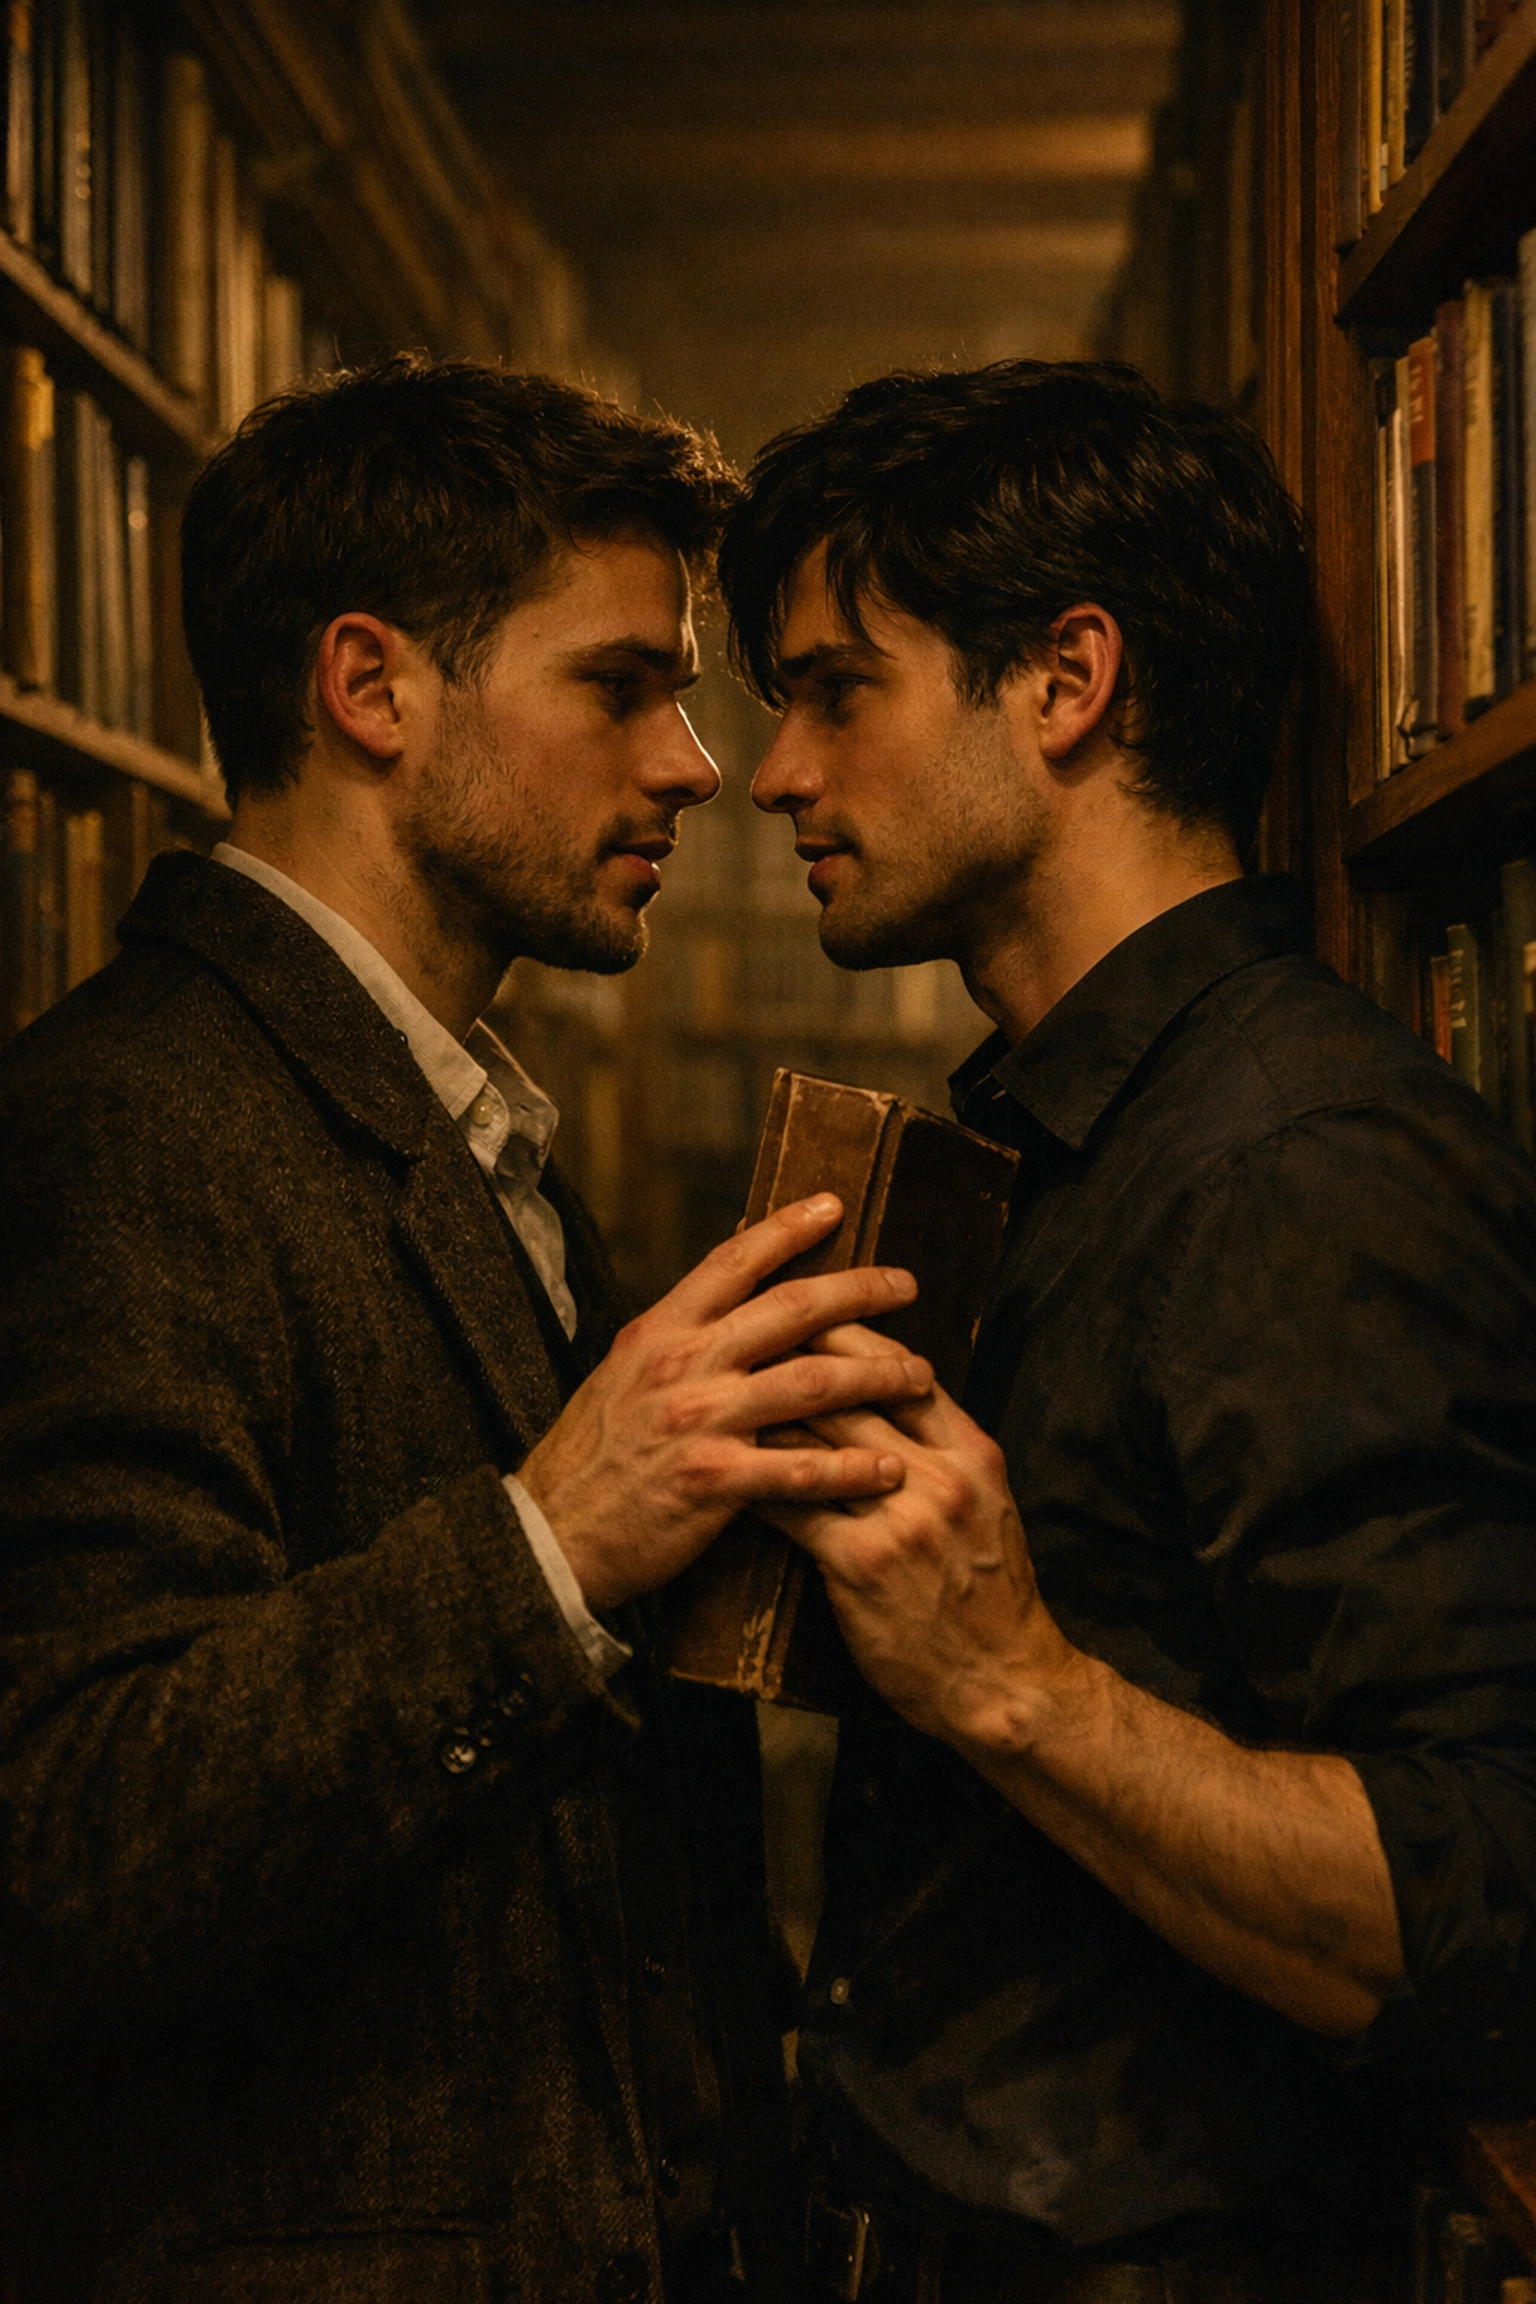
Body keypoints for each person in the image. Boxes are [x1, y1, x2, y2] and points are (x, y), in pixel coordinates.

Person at [0, 356, 937, 2304]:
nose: (695, 764)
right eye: (621, 686)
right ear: (372, 691)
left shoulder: (468, 1120)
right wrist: (550, 1547)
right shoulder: (115, 1134)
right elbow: (60, 1841)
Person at [715, 360, 1536, 2304]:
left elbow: (1491, 1904)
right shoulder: (1061, 1133)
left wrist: (1013, 1683)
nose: (775, 774)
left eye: (838, 690)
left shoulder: (1300, 1166)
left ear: (1068, 681)